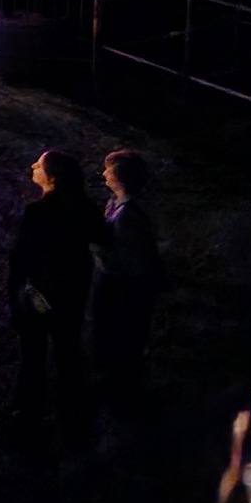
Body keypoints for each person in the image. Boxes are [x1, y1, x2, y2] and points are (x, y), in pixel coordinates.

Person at [7, 149, 106, 428]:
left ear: (51, 178)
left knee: (33, 354)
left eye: (39, 164)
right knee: (68, 349)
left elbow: (22, 257)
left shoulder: (37, 212)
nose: (32, 165)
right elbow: (103, 237)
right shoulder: (84, 208)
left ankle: (29, 413)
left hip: (38, 292)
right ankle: (73, 412)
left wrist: (17, 293)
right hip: (72, 289)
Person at [89, 148, 163, 409]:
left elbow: (129, 261)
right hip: (113, 283)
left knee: (118, 337)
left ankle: (119, 393)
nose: (103, 173)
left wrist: (95, 246)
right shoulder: (115, 205)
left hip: (122, 288)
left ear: (120, 176)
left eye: (108, 170)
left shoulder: (128, 217)